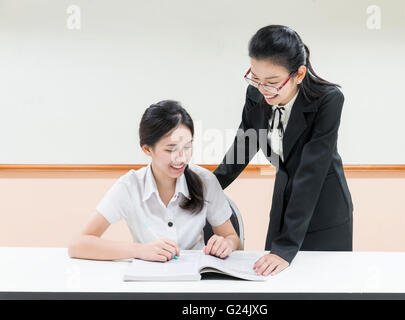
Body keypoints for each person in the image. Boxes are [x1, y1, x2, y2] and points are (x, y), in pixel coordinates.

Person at [213, 25, 354, 276]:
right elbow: (243, 146)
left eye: (272, 82)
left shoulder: (328, 100)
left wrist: (286, 246)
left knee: (324, 283)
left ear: (299, 74)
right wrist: (204, 188)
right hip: (284, 203)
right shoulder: (256, 95)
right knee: (273, 279)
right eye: (255, 78)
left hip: (324, 208)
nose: (262, 88)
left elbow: (310, 173)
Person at [69, 100, 242, 262]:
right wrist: (138, 250)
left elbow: (234, 240)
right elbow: (78, 245)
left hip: (196, 284)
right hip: (149, 287)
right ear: (147, 149)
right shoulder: (130, 186)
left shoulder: (205, 181)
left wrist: (227, 244)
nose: (181, 158)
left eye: (187, 147)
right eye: (171, 149)